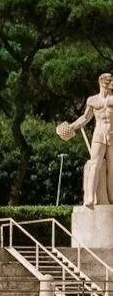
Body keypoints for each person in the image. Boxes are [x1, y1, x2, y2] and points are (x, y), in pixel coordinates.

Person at [57, 73, 113, 208]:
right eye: (109, 81)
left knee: (112, 168)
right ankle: (90, 196)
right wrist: (72, 127)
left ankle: (111, 197)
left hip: (112, 133)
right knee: (95, 164)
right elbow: (85, 118)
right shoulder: (92, 100)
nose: (111, 84)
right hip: (99, 133)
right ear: (101, 83)